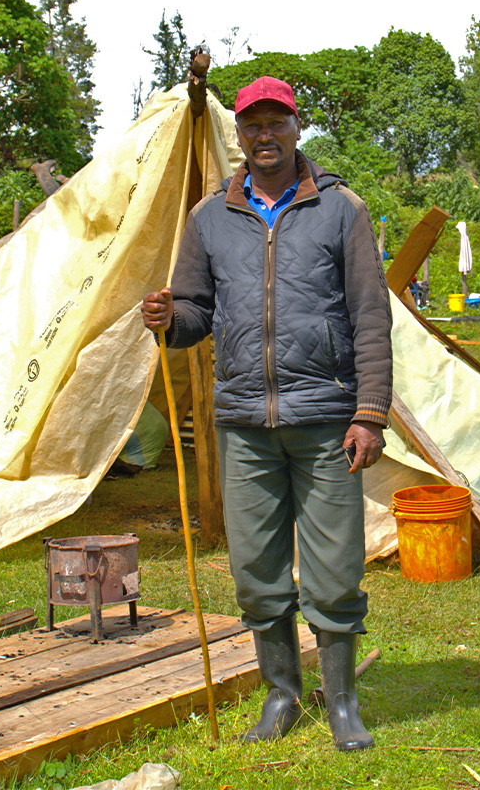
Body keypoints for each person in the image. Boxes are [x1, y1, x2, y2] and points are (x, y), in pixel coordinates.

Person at [141, 73, 393, 752]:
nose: (264, 136)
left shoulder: (343, 210)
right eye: (252, 125)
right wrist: (170, 318)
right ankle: (281, 696)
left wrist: (369, 413)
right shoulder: (208, 219)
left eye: (276, 122)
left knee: (336, 569)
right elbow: (195, 314)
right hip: (245, 424)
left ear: (296, 127)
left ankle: (341, 702)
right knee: (255, 572)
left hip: (326, 418)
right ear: (240, 134)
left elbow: (371, 315)